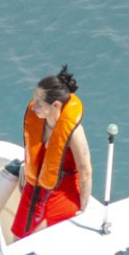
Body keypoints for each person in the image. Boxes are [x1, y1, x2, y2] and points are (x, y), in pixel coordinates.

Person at [9, 67, 91, 239]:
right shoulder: (40, 122)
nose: (33, 107)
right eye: (34, 100)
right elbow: (37, 153)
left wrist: (84, 208)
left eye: (39, 103)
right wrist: (26, 165)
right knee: (17, 239)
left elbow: (85, 172)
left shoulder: (74, 133)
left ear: (55, 105)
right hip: (34, 189)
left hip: (61, 193)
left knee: (40, 240)